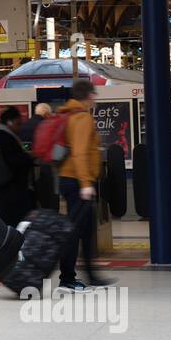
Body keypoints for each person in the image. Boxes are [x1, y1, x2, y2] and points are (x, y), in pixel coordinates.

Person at [57, 79, 107, 291]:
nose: (95, 98)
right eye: (93, 95)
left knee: (86, 231)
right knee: (74, 231)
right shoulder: (82, 117)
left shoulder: (68, 114)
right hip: (77, 181)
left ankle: (91, 276)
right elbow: (79, 152)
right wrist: (86, 184)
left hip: (73, 178)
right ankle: (67, 278)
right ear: (87, 96)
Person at [0, 107, 35, 225]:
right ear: (10, 122)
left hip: (8, 190)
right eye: (18, 123)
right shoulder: (6, 138)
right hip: (12, 192)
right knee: (15, 222)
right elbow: (13, 161)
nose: (20, 127)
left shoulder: (3, 136)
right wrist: (29, 157)